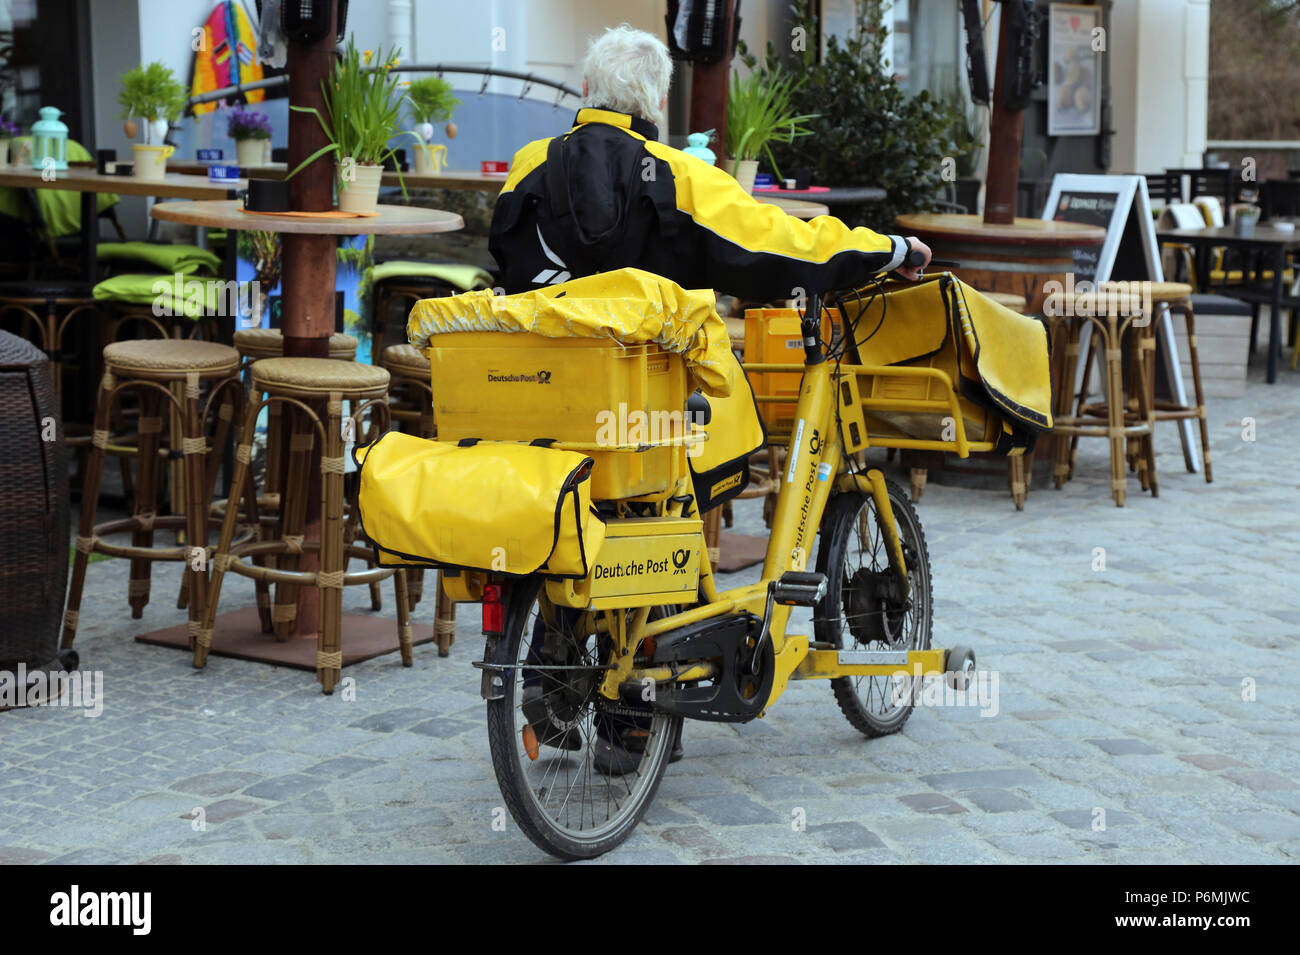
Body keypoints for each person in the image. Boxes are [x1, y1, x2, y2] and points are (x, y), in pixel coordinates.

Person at [495, 25, 933, 776]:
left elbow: (504, 255)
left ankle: (549, 675)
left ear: (587, 95)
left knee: (592, 506)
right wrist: (884, 249)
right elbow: (776, 244)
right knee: (702, 457)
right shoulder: (674, 176)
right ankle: (634, 721)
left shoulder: (528, 168)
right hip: (648, 412)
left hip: (545, 403)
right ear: (654, 101)